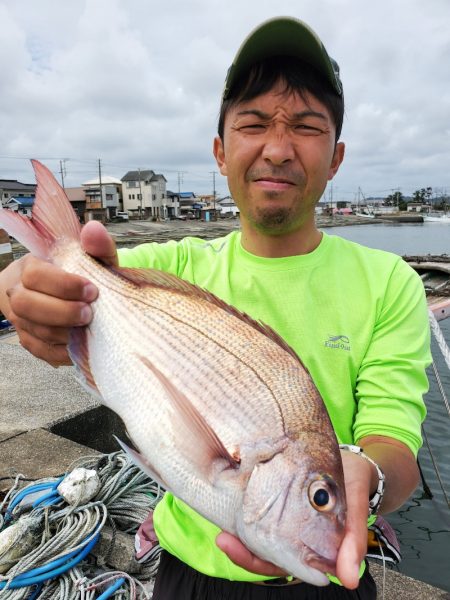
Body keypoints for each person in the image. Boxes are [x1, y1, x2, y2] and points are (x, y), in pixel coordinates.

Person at [0, 16, 430, 599]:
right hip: (187, 575)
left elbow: (394, 437)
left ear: (336, 158)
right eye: (254, 124)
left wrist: (368, 480)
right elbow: (68, 310)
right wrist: (33, 290)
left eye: (306, 127)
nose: (277, 148)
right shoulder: (170, 268)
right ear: (220, 151)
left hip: (334, 576)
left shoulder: (390, 282)